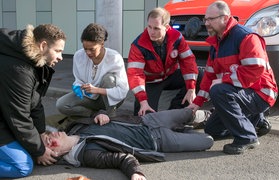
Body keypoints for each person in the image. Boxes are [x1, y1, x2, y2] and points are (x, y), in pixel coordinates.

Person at [188, 1, 278, 155]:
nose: (206, 24)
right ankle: (255, 121)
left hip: (262, 93)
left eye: (211, 19)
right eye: (205, 19)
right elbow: (209, 76)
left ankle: (247, 137)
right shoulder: (216, 43)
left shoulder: (246, 37)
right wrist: (196, 104)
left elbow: (255, 69)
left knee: (219, 91)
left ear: (225, 17)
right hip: (243, 92)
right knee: (212, 130)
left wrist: (224, 80)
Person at [42, 108, 213, 180]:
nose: (51, 136)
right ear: (55, 154)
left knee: (188, 113)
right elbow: (121, 158)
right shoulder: (88, 154)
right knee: (207, 141)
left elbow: (98, 110)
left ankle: (212, 116)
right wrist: (135, 172)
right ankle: (186, 130)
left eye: (47, 136)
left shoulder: (75, 126)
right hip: (157, 140)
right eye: (50, 143)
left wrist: (101, 114)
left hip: (146, 121)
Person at [0, 24, 66, 178]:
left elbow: (35, 102)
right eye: (58, 51)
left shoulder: (33, 60)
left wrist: (41, 133)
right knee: (23, 166)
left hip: (4, 113)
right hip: (6, 116)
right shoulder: (19, 70)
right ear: (43, 45)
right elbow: (19, 117)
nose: (61, 57)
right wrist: (40, 150)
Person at [127, 7, 200, 116]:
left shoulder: (177, 38)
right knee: (144, 115)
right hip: (151, 82)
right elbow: (135, 74)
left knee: (200, 76)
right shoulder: (139, 45)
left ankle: (175, 112)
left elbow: (188, 62)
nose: (151, 32)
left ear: (166, 27)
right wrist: (143, 100)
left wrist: (191, 88)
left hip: (170, 76)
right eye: (149, 27)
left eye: (156, 28)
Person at [56, 23, 129, 118]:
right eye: (85, 49)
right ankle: (95, 115)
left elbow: (122, 91)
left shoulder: (114, 58)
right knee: (61, 105)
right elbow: (78, 80)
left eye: (92, 49)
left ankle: (111, 116)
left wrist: (97, 90)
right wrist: (78, 86)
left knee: (109, 79)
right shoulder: (78, 56)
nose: (88, 53)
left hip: (110, 100)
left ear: (102, 43)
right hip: (89, 98)